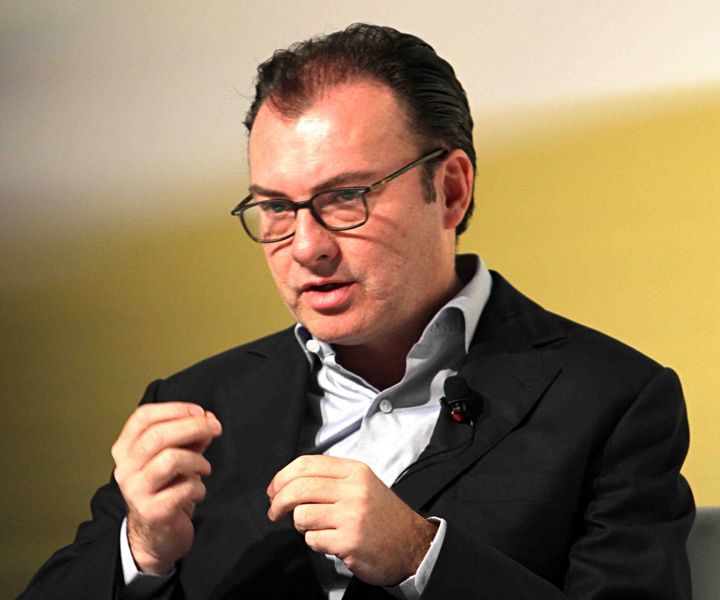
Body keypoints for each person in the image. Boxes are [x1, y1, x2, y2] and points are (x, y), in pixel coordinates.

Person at [20, 23, 694, 600]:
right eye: (276, 207)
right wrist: (140, 551)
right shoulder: (192, 406)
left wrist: (421, 557)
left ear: (450, 190)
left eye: (345, 197)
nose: (305, 247)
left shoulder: (613, 399)